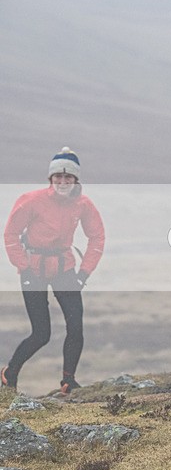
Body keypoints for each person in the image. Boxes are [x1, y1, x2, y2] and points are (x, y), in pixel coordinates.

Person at [1, 147, 105, 394]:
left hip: (64, 269)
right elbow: (10, 233)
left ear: (75, 179)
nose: (62, 181)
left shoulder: (83, 204)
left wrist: (83, 273)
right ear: (50, 178)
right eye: (58, 177)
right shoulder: (31, 200)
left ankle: (68, 381)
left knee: (76, 327)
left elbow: (97, 237)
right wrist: (23, 266)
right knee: (41, 333)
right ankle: (9, 373)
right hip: (33, 269)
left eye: (68, 177)